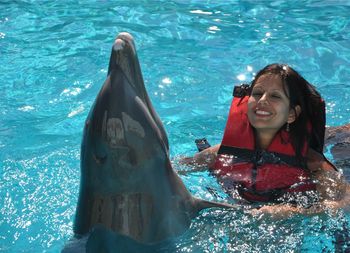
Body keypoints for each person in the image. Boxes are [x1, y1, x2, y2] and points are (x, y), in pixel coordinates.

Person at [182, 63, 348, 211]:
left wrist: (289, 212)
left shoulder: (312, 164)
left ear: (291, 114)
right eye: (257, 93)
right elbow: (173, 168)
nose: (262, 100)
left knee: (339, 138)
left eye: (275, 96)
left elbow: (345, 203)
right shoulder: (220, 154)